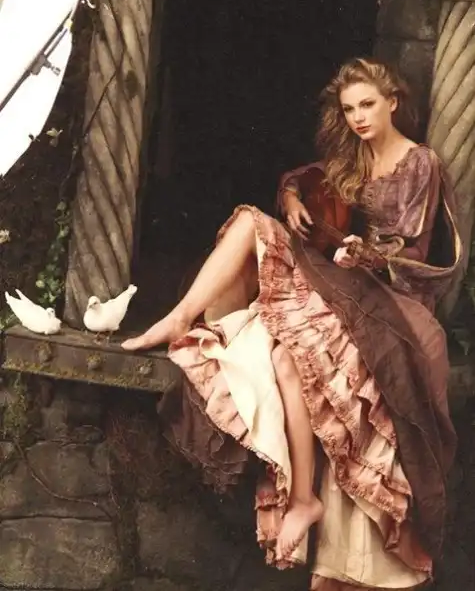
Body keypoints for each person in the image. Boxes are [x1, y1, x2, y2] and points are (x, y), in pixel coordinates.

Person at [122, 58, 462, 590]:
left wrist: (366, 254)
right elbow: (302, 175)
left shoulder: (421, 163)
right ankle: (179, 318)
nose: (358, 117)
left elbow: (413, 250)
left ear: (393, 102)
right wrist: (291, 197)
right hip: (343, 277)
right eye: (349, 109)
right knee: (250, 225)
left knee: (288, 353)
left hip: (387, 293)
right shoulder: (353, 154)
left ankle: (304, 501)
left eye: (368, 105)